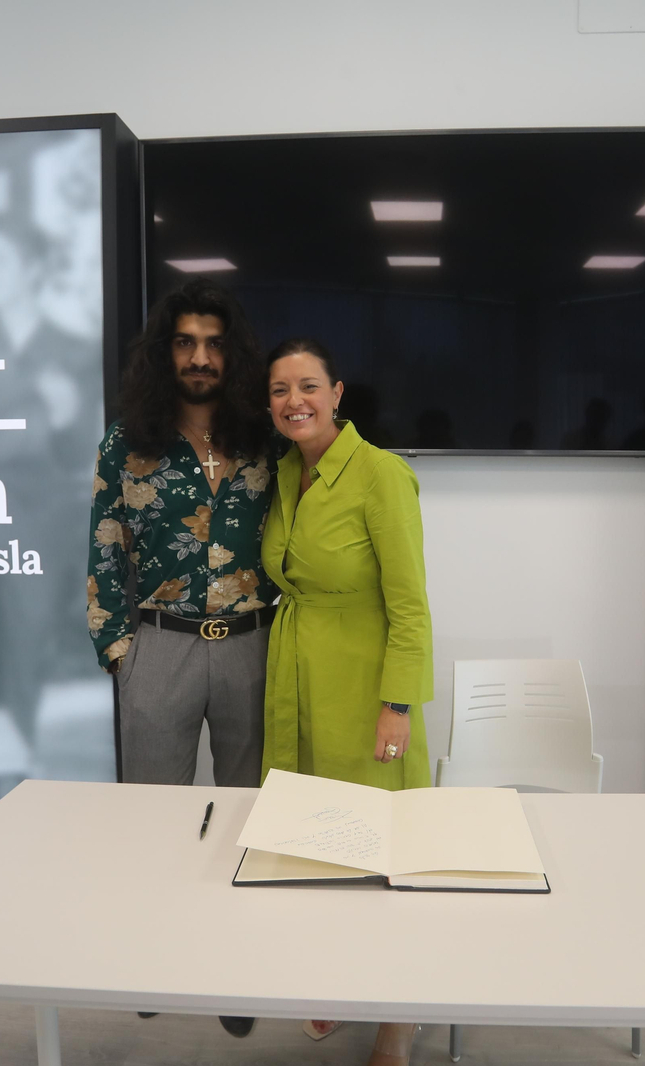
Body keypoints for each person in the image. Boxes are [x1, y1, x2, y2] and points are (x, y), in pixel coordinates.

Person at [86, 279, 278, 1037]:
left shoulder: (263, 439)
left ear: (232, 355)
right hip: (158, 645)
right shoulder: (126, 441)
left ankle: (238, 970)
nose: (200, 357)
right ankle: (151, 956)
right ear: (165, 352)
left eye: (213, 343)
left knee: (248, 818)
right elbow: (104, 545)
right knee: (154, 821)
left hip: (252, 649)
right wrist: (116, 646)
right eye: (185, 341)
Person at [260, 337, 432, 1066]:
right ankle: (332, 979)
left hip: (366, 687)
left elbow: (411, 605)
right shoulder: (281, 475)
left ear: (337, 394)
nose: (293, 400)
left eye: (307, 386)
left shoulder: (382, 474)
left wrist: (398, 702)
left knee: (382, 856)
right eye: (278, 390)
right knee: (312, 846)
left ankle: (398, 1017)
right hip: (295, 677)